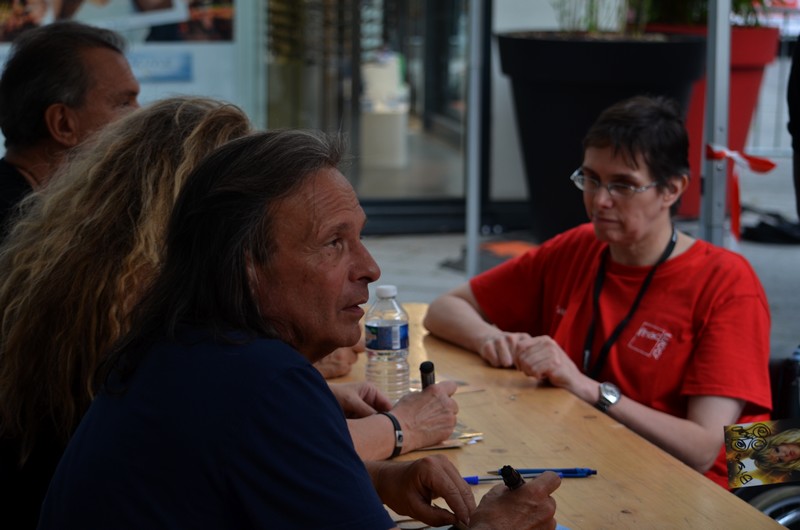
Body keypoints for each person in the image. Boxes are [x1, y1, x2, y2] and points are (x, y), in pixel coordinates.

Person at [37, 130, 561, 529]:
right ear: (247, 263)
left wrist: (372, 478)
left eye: (359, 237)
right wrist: (494, 524)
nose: (370, 267)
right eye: (334, 242)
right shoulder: (263, 383)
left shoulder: (178, 343)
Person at [424, 95, 772, 489]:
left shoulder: (727, 283)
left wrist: (589, 389)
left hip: (712, 485)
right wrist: (494, 338)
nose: (599, 200)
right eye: (590, 179)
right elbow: (443, 309)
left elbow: (704, 448)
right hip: (598, 451)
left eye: (623, 185)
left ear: (672, 190)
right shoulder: (579, 245)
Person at [0, 20, 140, 234]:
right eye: (123, 103)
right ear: (63, 124)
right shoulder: (18, 230)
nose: (141, 115)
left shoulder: (59, 210)